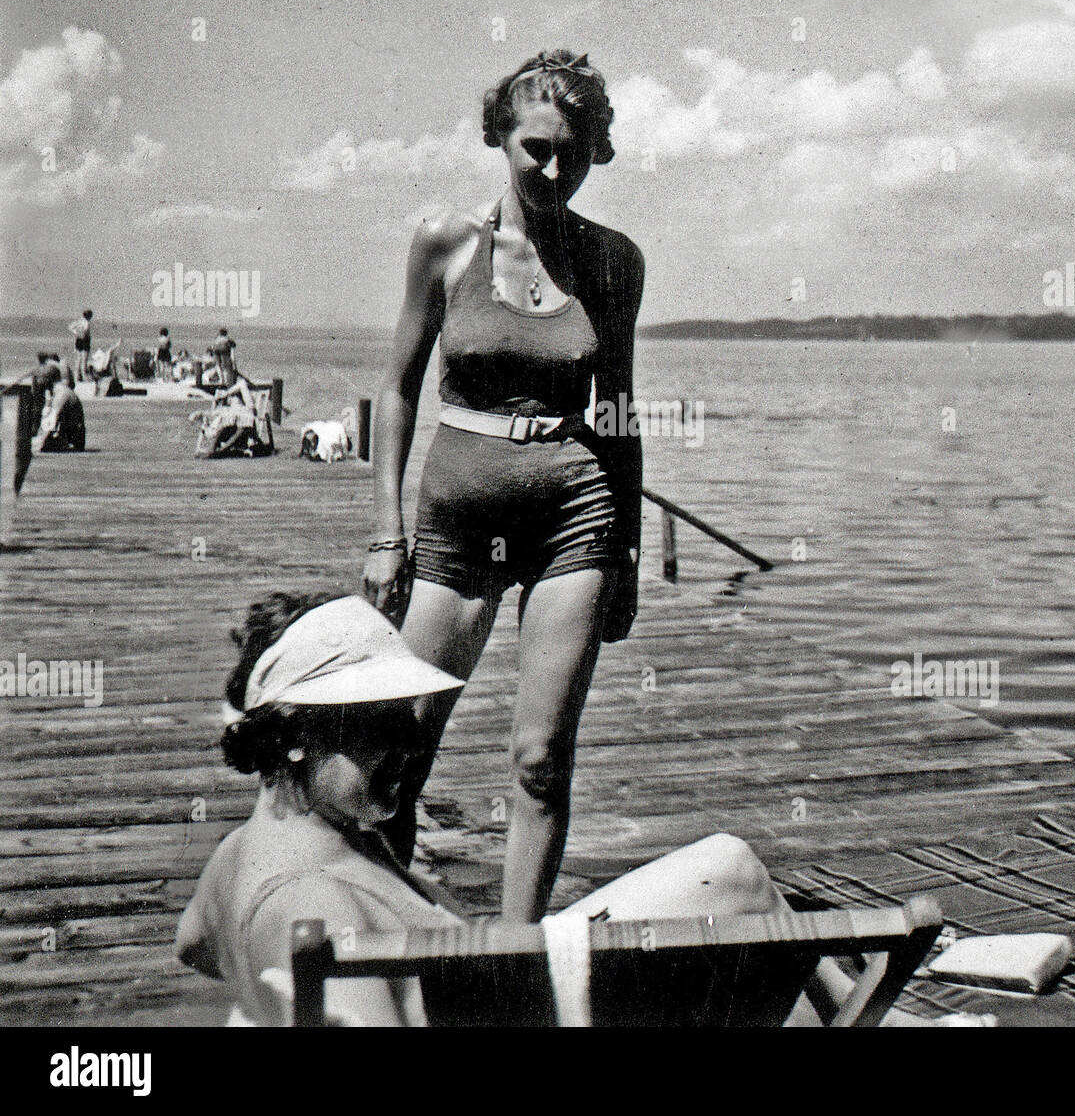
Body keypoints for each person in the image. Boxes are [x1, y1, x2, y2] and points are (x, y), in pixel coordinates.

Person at [176, 592, 927, 1028]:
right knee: (730, 872)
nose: (412, 744)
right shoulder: (313, 901)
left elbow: (196, 944)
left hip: (512, 982)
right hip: (536, 1012)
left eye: (412, 719)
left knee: (748, 916)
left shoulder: (244, 856)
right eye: (380, 725)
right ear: (297, 735)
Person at [363, 51, 644, 922]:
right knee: (397, 757)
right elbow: (398, 389)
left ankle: (519, 961)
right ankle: (391, 942)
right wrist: (385, 532)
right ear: (500, 137)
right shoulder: (446, 244)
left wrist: (627, 553)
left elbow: (620, 411)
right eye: (535, 148)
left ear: (595, 151)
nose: (552, 169)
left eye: (573, 151)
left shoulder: (615, 262)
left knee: (540, 759)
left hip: (576, 514)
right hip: (457, 517)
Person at [30, 352, 85, 452]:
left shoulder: (61, 396)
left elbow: (50, 424)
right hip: (72, 439)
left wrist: (37, 446)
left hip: (71, 443)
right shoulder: (63, 391)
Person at [68, 309, 92, 381]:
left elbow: (70, 327)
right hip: (85, 341)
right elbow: (85, 330)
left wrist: (76, 332)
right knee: (84, 360)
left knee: (78, 360)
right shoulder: (87, 323)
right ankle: (84, 377)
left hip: (78, 340)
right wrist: (81, 333)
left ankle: (76, 377)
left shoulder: (79, 321)